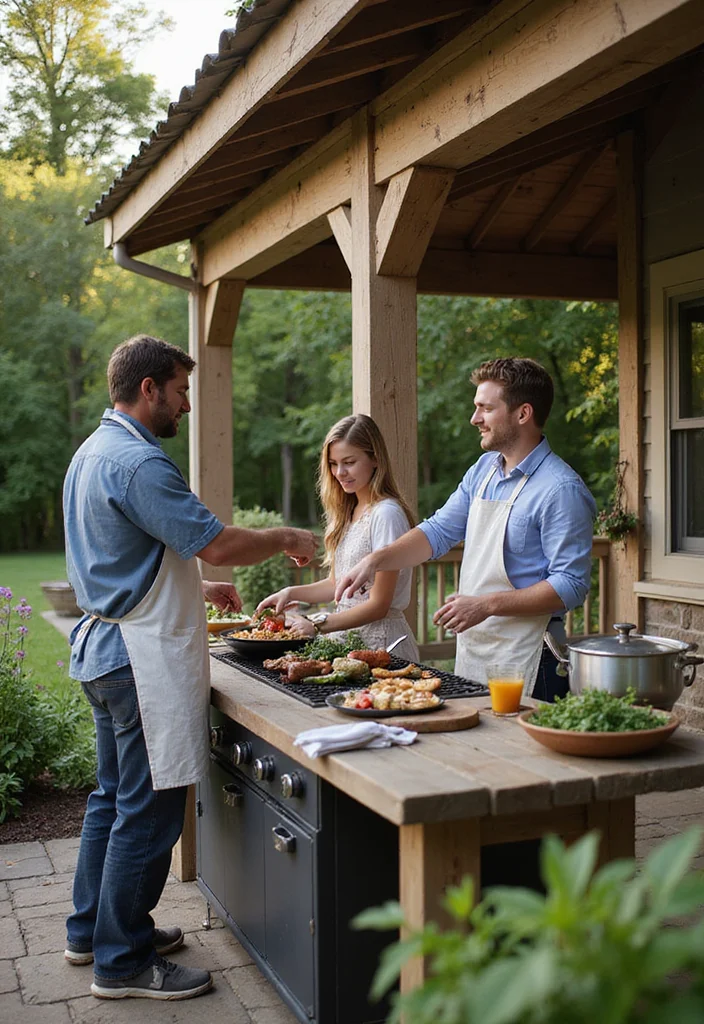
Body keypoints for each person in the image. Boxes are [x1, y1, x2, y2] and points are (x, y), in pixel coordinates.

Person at [62, 334, 316, 1001]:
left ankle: (91, 931)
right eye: (180, 390)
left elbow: (118, 558)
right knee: (149, 811)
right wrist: (288, 536)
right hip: (136, 662)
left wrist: (195, 590)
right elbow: (218, 541)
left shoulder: (92, 453)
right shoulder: (141, 462)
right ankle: (122, 961)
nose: (185, 404)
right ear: (149, 389)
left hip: (102, 647)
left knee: (112, 801)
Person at [335, 358, 596, 702]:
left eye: (485, 409)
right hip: (478, 648)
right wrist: (376, 560)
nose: (475, 419)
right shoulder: (484, 470)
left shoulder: (561, 489)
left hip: (534, 657)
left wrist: (485, 606)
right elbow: (438, 532)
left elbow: (572, 585)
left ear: (523, 414)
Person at [258, 414, 419, 661]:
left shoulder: (386, 514)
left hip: (383, 648)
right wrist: (290, 593)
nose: (339, 473)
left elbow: (379, 605)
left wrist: (318, 623)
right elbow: (338, 586)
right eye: (333, 464)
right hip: (346, 645)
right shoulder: (349, 512)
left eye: (349, 462)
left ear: (375, 458)